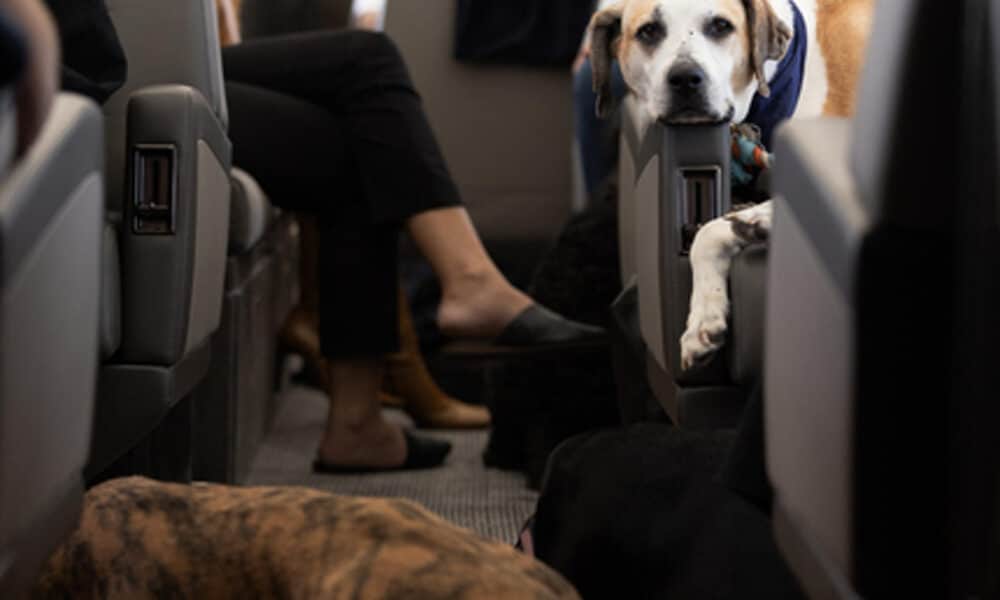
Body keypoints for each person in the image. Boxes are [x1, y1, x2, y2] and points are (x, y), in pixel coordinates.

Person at [40, 0, 603, 474]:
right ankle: (455, 302)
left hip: (111, 57)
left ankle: (367, 413)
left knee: (363, 100)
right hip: (94, 79)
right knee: (366, 82)